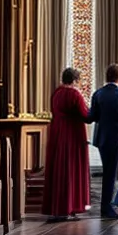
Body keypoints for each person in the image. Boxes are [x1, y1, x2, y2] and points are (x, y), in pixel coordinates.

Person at [41, 67, 91, 223]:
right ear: (75, 80)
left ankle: (57, 208)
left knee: (59, 169)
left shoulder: (56, 93)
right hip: (72, 135)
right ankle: (70, 207)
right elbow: (85, 116)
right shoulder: (74, 94)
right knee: (71, 169)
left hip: (57, 133)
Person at [88, 63, 118, 219]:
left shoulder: (98, 94)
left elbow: (92, 117)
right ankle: (116, 205)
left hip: (102, 138)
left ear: (106, 77)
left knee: (108, 173)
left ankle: (107, 205)